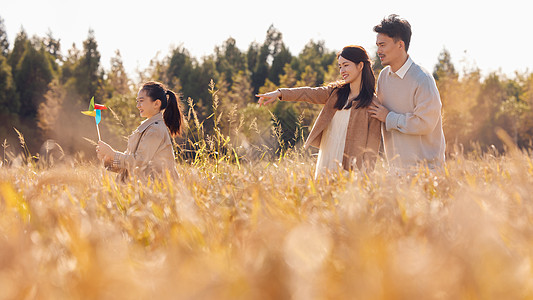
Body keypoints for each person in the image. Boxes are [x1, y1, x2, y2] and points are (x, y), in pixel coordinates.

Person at [257, 45, 382, 178]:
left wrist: (366, 175)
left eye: (346, 65)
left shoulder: (372, 104)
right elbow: (307, 93)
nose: (342, 71)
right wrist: (280, 93)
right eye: (340, 66)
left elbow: (372, 147)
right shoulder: (335, 93)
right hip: (328, 157)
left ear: (360, 66)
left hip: (351, 166)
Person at [368, 14, 446, 172]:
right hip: (395, 170)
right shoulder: (383, 76)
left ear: (400, 45)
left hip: (426, 172)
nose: (378, 51)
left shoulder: (422, 79)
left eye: (382, 45)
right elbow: (377, 114)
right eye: (377, 45)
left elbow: (425, 123)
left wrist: (389, 117)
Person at [96, 81, 184, 181]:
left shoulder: (155, 129)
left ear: (156, 103)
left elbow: (139, 162)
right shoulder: (145, 128)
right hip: (140, 189)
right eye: (137, 101)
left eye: (141, 101)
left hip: (157, 190)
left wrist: (113, 153)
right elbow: (128, 165)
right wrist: (107, 159)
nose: (138, 105)